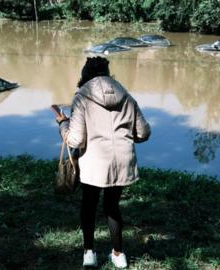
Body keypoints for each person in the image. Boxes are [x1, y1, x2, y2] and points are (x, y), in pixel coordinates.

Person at [55, 56, 151, 268]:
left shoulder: (82, 97)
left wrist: (63, 124)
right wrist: (124, 137)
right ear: (108, 74)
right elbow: (144, 132)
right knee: (112, 207)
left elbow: (76, 139)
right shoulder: (126, 95)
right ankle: (118, 255)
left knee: (89, 206)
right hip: (123, 161)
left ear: (85, 74)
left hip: (94, 162)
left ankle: (89, 253)